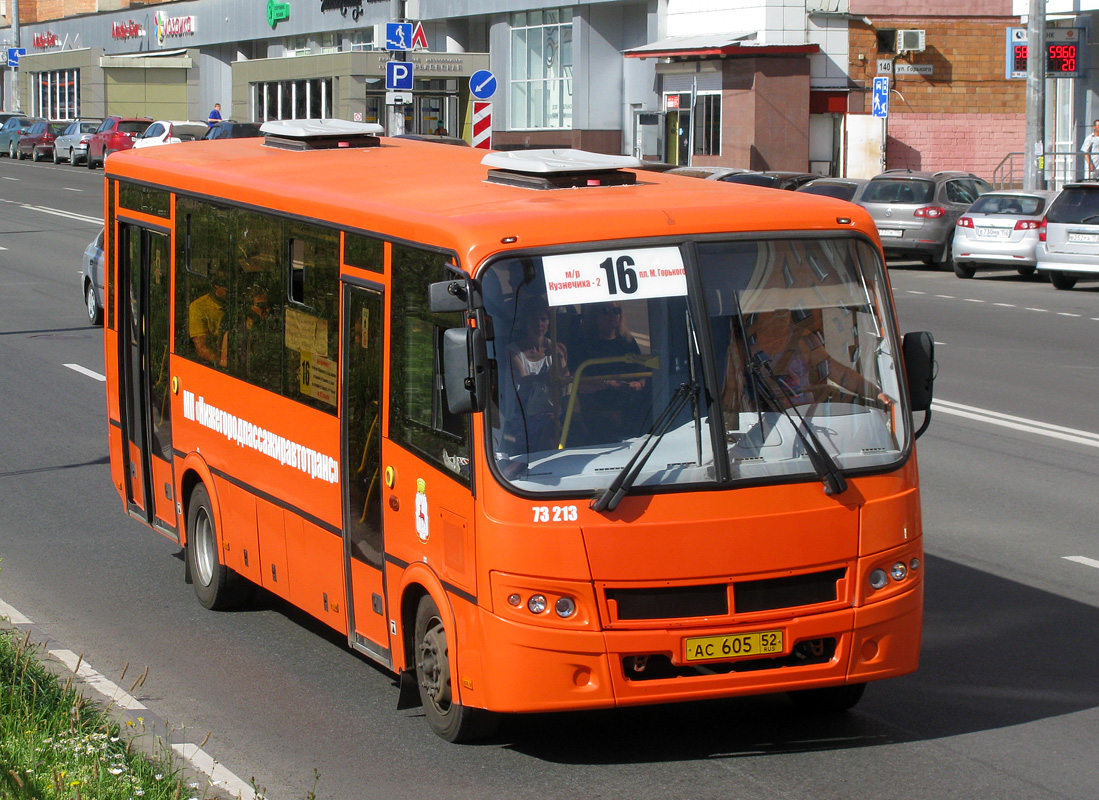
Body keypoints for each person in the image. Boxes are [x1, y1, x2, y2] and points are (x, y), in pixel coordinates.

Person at [569, 302, 648, 444]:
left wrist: (640, 383)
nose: (612, 316)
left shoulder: (627, 341)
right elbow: (578, 384)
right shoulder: (583, 343)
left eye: (616, 311)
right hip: (597, 408)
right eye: (605, 311)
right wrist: (608, 384)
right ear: (595, 316)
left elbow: (642, 370)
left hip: (629, 403)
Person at [505, 299, 568, 453]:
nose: (539, 324)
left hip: (551, 408)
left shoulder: (558, 348)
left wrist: (559, 357)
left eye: (543, 319)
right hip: (523, 410)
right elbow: (524, 380)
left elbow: (566, 379)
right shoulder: (514, 351)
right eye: (534, 319)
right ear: (526, 322)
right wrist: (546, 378)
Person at [189, 271, 229, 367]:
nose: (231, 293)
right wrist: (221, 364)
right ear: (216, 286)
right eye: (227, 290)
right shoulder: (199, 307)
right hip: (213, 363)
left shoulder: (237, 303)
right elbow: (201, 348)